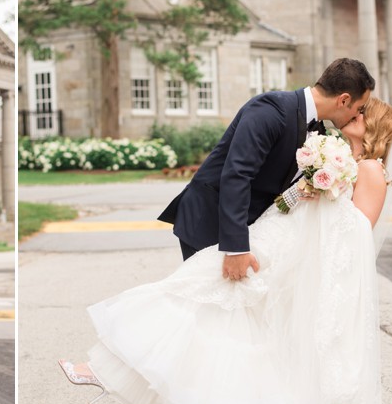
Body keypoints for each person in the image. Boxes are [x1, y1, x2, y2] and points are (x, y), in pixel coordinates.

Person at [60, 98, 392, 404]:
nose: (355, 115)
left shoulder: (369, 170)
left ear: (376, 128)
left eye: (364, 114)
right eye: (357, 108)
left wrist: (324, 191)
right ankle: (113, 369)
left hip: (293, 251)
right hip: (275, 234)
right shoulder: (335, 155)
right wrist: (308, 188)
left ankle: (113, 372)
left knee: (232, 305)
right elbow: (286, 202)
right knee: (209, 288)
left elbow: (358, 232)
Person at [158, 58, 375, 281]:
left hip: (250, 225)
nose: (357, 115)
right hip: (210, 219)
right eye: (359, 108)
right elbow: (236, 174)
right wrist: (236, 248)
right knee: (206, 304)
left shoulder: (318, 129)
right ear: (344, 100)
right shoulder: (271, 110)